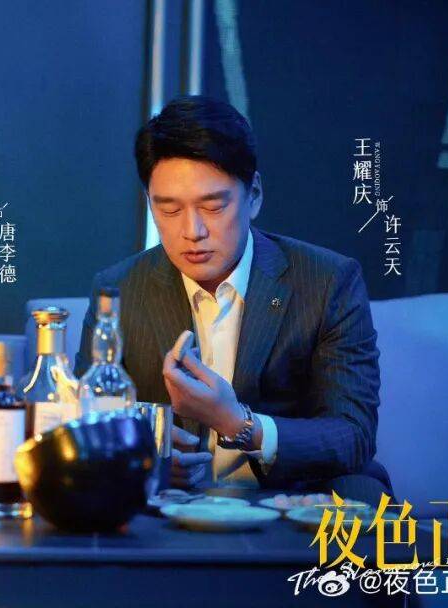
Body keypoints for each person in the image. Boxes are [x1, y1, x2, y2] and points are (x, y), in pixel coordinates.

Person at [75, 96, 390, 502]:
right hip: (170, 503)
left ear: (253, 195)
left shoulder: (328, 281)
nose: (193, 231)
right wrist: (147, 454)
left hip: (292, 495)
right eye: (169, 210)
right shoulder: (120, 289)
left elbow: (353, 434)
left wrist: (238, 423)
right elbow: (85, 422)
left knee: (363, 497)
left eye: (212, 206)